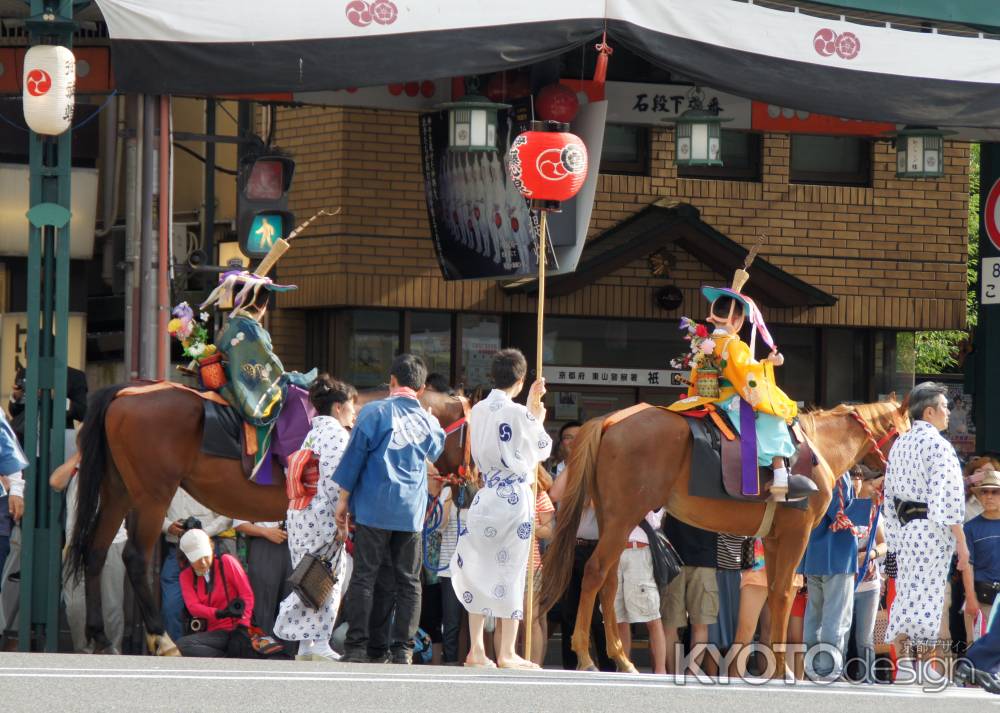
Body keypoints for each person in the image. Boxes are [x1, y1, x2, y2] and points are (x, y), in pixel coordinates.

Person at [668, 262, 815, 501]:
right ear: (736, 321)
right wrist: (769, 364)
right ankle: (780, 476)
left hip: (707, 396)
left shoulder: (703, 343)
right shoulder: (733, 344)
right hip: (728, 399)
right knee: (775, 413)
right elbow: (747, 375)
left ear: (712, 315)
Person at [334, 353, 446, 665]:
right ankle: (402, 649)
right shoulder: (429, 421)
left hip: (373, 507)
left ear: (392, 381)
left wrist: (343, 500)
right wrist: (429, 417)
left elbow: (354, 458)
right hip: (410, 512)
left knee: (366, 577)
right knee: (408, 581)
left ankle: (359, 646)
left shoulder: (372, 412)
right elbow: (436, 449)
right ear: (421, 389)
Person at [450, 348, 551, 669]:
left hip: (486, 496)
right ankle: (507, 651)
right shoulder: (519, 414)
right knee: (511, 571)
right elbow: (542, 448)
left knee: (478, 568)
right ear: (520, 380)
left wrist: (531, 411)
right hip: (514, 499)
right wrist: (537, 414)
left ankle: (477, 648)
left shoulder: (477, 410)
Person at [883, 382, 969, 681]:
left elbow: (889, 496)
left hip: (906, 529)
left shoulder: (899, 444)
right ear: (929, 411)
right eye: (945, 407)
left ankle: (907, 664)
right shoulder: (938, 445)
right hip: (931, 529)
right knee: (928, 596)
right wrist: (961, 541)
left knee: (906, 594)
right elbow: (947, 498)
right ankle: (921, 665)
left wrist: (893, 536)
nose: (948, 412)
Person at [274, 374, 356, 660]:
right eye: (351, 405)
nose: (354, 411)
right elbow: (335, 483)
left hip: (300, 514)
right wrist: (341, 521)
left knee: (307, 576)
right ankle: (319, 641)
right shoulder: (336, 434)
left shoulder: (312, 432)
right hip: (321, 516)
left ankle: (305, 645)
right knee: (327, 578)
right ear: (337, 407)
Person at [200, 270, 315, 428]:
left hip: (225, 385)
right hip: (237, 391)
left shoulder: (230, 325)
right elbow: (271, 370)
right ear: (262, 305)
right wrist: (296, 378)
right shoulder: (251, 330)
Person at [549, 420, 614, 672]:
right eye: (569, 438)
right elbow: (555, 493)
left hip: (597, 548)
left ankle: (607, 664)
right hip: (570, 549)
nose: (575, 443)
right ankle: (572, 663)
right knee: (569, 611)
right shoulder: (565, 468)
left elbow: (591, 502)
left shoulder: (604, 469)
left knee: (597, 612)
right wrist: (577, 460)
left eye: (581, 438)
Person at [51, 447, 127, 654]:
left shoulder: (117, 463)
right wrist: (78, 456)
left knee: (111, 603)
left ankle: (113, 650)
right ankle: (83, 650)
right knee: (75, 605)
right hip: (76, 543)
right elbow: (55, 482)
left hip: (111, 541)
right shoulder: (76, 467)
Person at [800, 470, 858, 680]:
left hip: (814, 552)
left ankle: (812, 666)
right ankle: (827, 669)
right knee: (836, 617)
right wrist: (868, 503)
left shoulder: (814, 470)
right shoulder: (838, 473)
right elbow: (841, 514)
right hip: (837, 554)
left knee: (814, 616)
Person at [160, 491, 233, 642]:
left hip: (207, 549)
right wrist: (168, 526)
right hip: (176, 550)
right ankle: (176, 652)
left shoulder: (210, 473)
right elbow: (151, 509)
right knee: (170, 607)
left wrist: (202, 533)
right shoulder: (166, 474)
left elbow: (228, 514)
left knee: (212, 603)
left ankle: (210, 650)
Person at [175, 529, 256, 658]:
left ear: (211, 549)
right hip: (215, 634)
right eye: (196, 558)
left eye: (205, 556)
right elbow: (193, 607)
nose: (203, 562)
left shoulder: (227, 561)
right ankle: (230, 661)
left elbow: (246, 594)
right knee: (181, 645)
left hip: (239, 629)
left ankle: (227, 660)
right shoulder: (186, 576)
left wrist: (243, 627)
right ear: (186, 558)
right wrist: (218, 613)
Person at [660, 515, 719, 674]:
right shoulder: (714, 489)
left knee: (673, 625)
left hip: (683, 556)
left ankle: (682, 676)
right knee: (693, 625)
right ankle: (682, 676)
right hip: (694, 557)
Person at [846, 464, 887, 683]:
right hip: (843, 581)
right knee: (841, 633)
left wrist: (870, 554)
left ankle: (867, 679)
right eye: (853, 477)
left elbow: (884, 545)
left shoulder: (873, 511)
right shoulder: (840, 508)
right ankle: (836, 676)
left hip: (869, 583)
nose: (857, 481)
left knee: (865, 638)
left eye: (861, 478)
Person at [615, 509, 667, 675]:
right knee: (618, 617)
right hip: (614, 549)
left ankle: (660, 670)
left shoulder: (651, 484)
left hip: (640, 549)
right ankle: (624, 666)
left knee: (652, 616)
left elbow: (655, 513)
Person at [233, 519, 291, 643]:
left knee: (291, 604)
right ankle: (262, 651)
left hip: (296, 545)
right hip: (264, 543)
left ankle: (288, 654)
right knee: (263, 606)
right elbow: (238, 523)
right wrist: (266, 532)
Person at [963, 470, 1000, 645]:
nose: (989, 496)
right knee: (977, 652)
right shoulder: (970, 528)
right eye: (985, 491)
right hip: (981, 599)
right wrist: (970, 598)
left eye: (995, 491)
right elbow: (967, 565)